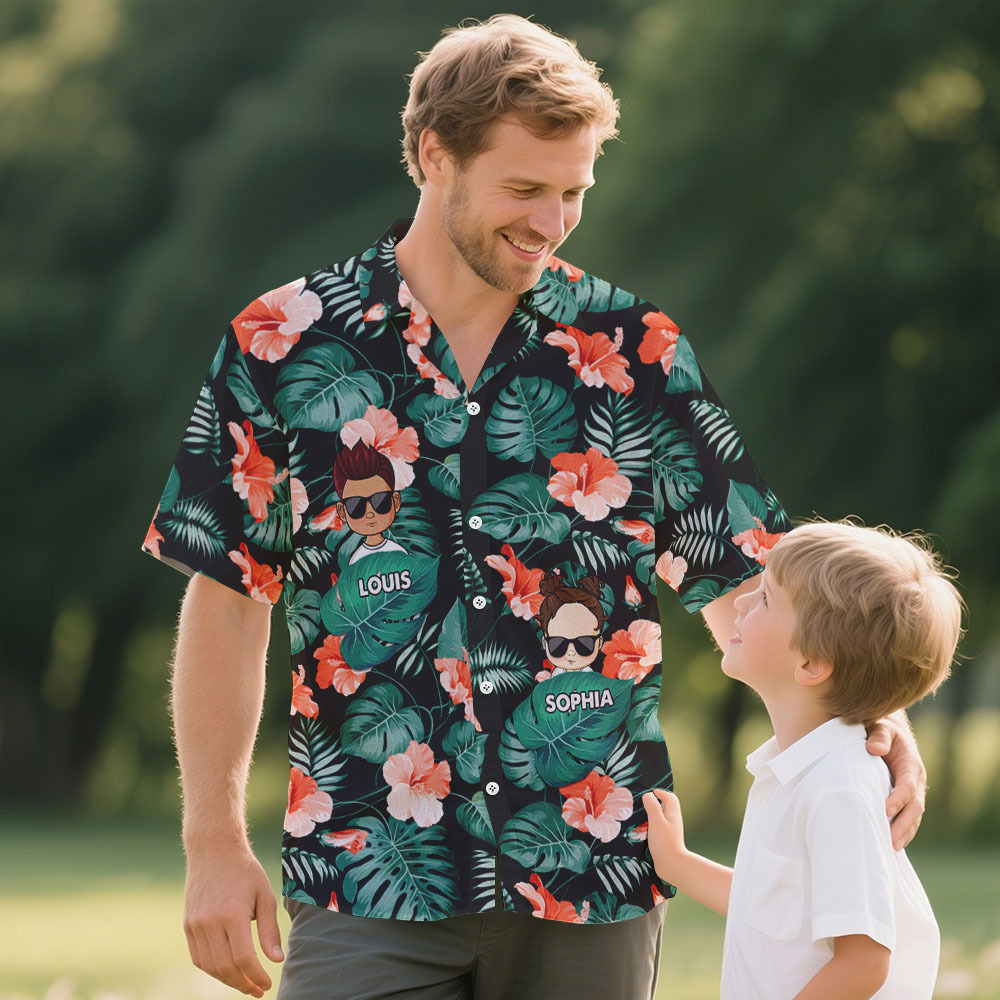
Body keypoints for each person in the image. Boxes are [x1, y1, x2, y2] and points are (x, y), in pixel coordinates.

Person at [141, 14, 931, 1000]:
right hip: (368, 874)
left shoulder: (633, 351)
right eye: (523, 189)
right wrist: (213, 842)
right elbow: (228, 595)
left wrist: (860, 711)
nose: (551, 221)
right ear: (435, 155)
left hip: (594, 879)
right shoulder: (281, 344)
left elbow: (742, 571)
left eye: (574, 193)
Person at [642, 520, 964, 999]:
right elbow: (775, 912)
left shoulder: (839, 787)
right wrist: (678, 864)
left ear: (812, 664)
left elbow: (865, 962)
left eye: (767, 598)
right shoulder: (798, 771)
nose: (742, 601)